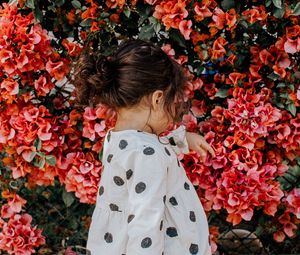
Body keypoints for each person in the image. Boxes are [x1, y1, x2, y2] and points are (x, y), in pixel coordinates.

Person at [71, 38, 216, 255]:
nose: (174, 114)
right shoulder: (147, 155)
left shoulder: (119, 138)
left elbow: (152, 148)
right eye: (172, 102)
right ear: (157, 99)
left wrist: (184, 139)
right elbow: (146, 221)